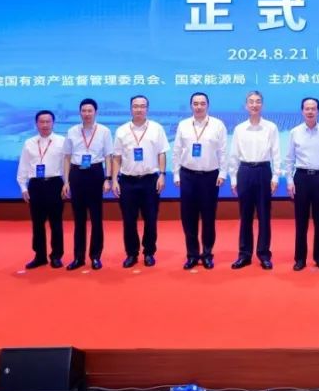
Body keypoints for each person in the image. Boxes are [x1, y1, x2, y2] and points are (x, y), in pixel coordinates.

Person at [111, 95, 169, 268]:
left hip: (150, 180)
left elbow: (162, 153)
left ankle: (149, 252)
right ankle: (131, 253)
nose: (139, 109)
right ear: (131, 109)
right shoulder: (122, 130)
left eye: (142, 106)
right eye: (135, 106)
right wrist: (114, 180)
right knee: (129, 220)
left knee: (150, 219)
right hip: (127, 181)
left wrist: (162, 174)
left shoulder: (156, 128)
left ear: (147, 109)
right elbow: (116, 157)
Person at [172, 91, 227, 270]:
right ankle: (192, 255)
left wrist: (223, 173)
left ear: (208, 105)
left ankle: (207, 254)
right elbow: (176, 151)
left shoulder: (217, 125)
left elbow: (223, 151)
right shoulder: (183, 125)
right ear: (191, 106)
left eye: (202, 103)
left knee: (209, 217)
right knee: (188, 218)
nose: (199, 107)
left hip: (210, 177)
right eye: (195, 104)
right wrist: (176, 174)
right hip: (187, 176)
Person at [228, 90, 281, 270]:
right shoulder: (239, 128)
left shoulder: (271, 127)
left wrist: (276, 176)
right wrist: (233, 179)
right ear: (246, 105)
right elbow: (234, 155)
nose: (254, 104)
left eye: (258, 101)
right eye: (251, 101)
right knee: (245, 216)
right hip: (244, 172)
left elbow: (276, 153)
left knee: (264, 215)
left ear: (262, 105)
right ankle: (244, 255)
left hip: (263, 171)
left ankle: (264, 254)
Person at [62, 98, 114, 271]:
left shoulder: (104, 131)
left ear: (96, 112)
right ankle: (78, 257)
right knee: (79, 219)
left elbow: (108, 156)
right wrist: (66, 181)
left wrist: (108, 178)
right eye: (83, 111)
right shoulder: (72, 131)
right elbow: (67, 157)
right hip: (77, 174)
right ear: (80, 113)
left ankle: (96, 256)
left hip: (95, 173)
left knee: (96, 218)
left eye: (90, 111)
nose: (87, 114)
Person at [286, 97, 319, 271]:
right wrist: (290, 181)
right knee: (301, 221)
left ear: (318, 111)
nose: (310, 111)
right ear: (302, 111)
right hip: (301, 178)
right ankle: (300, 258)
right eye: (307, 108)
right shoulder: (295, 132)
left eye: (313, 108)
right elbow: (289, 159)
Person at [16, 109, 66, 269]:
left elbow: (66, 166)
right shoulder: (29, 143)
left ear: (53, 123)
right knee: (37, 223)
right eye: (41, 122)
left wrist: (67, 184)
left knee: (56, 223)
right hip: (36, 186)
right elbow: (23, 165)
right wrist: (23, 187)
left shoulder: (62, 141)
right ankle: (40, 256)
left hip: (55, 184)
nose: (45, 125)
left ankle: (56, 256)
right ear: (36, 124)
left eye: (48, 121)